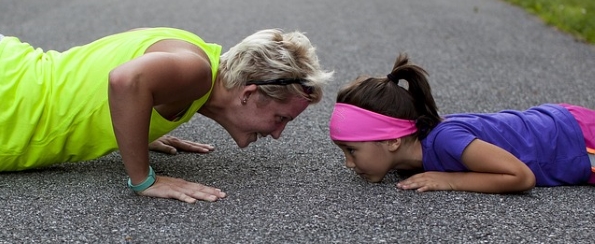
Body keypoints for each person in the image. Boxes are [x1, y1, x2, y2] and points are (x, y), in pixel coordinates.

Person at [0, 27, 333, 203]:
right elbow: (125, 80)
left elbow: (108, 72)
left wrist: (136, 125)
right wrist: (145, 178)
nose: (278, 134)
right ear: (249, 94)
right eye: (281, 118)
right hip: (11, 104)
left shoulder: (196, 56)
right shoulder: (197, 72)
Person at [328, 53, 595, 194]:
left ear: (392, 140)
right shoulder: (411, 156)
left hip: (578, 139)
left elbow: (521, 177)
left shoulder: (445, 140)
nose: (349, 163)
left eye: (352, 150)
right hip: (564, 124)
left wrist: (451, 181)